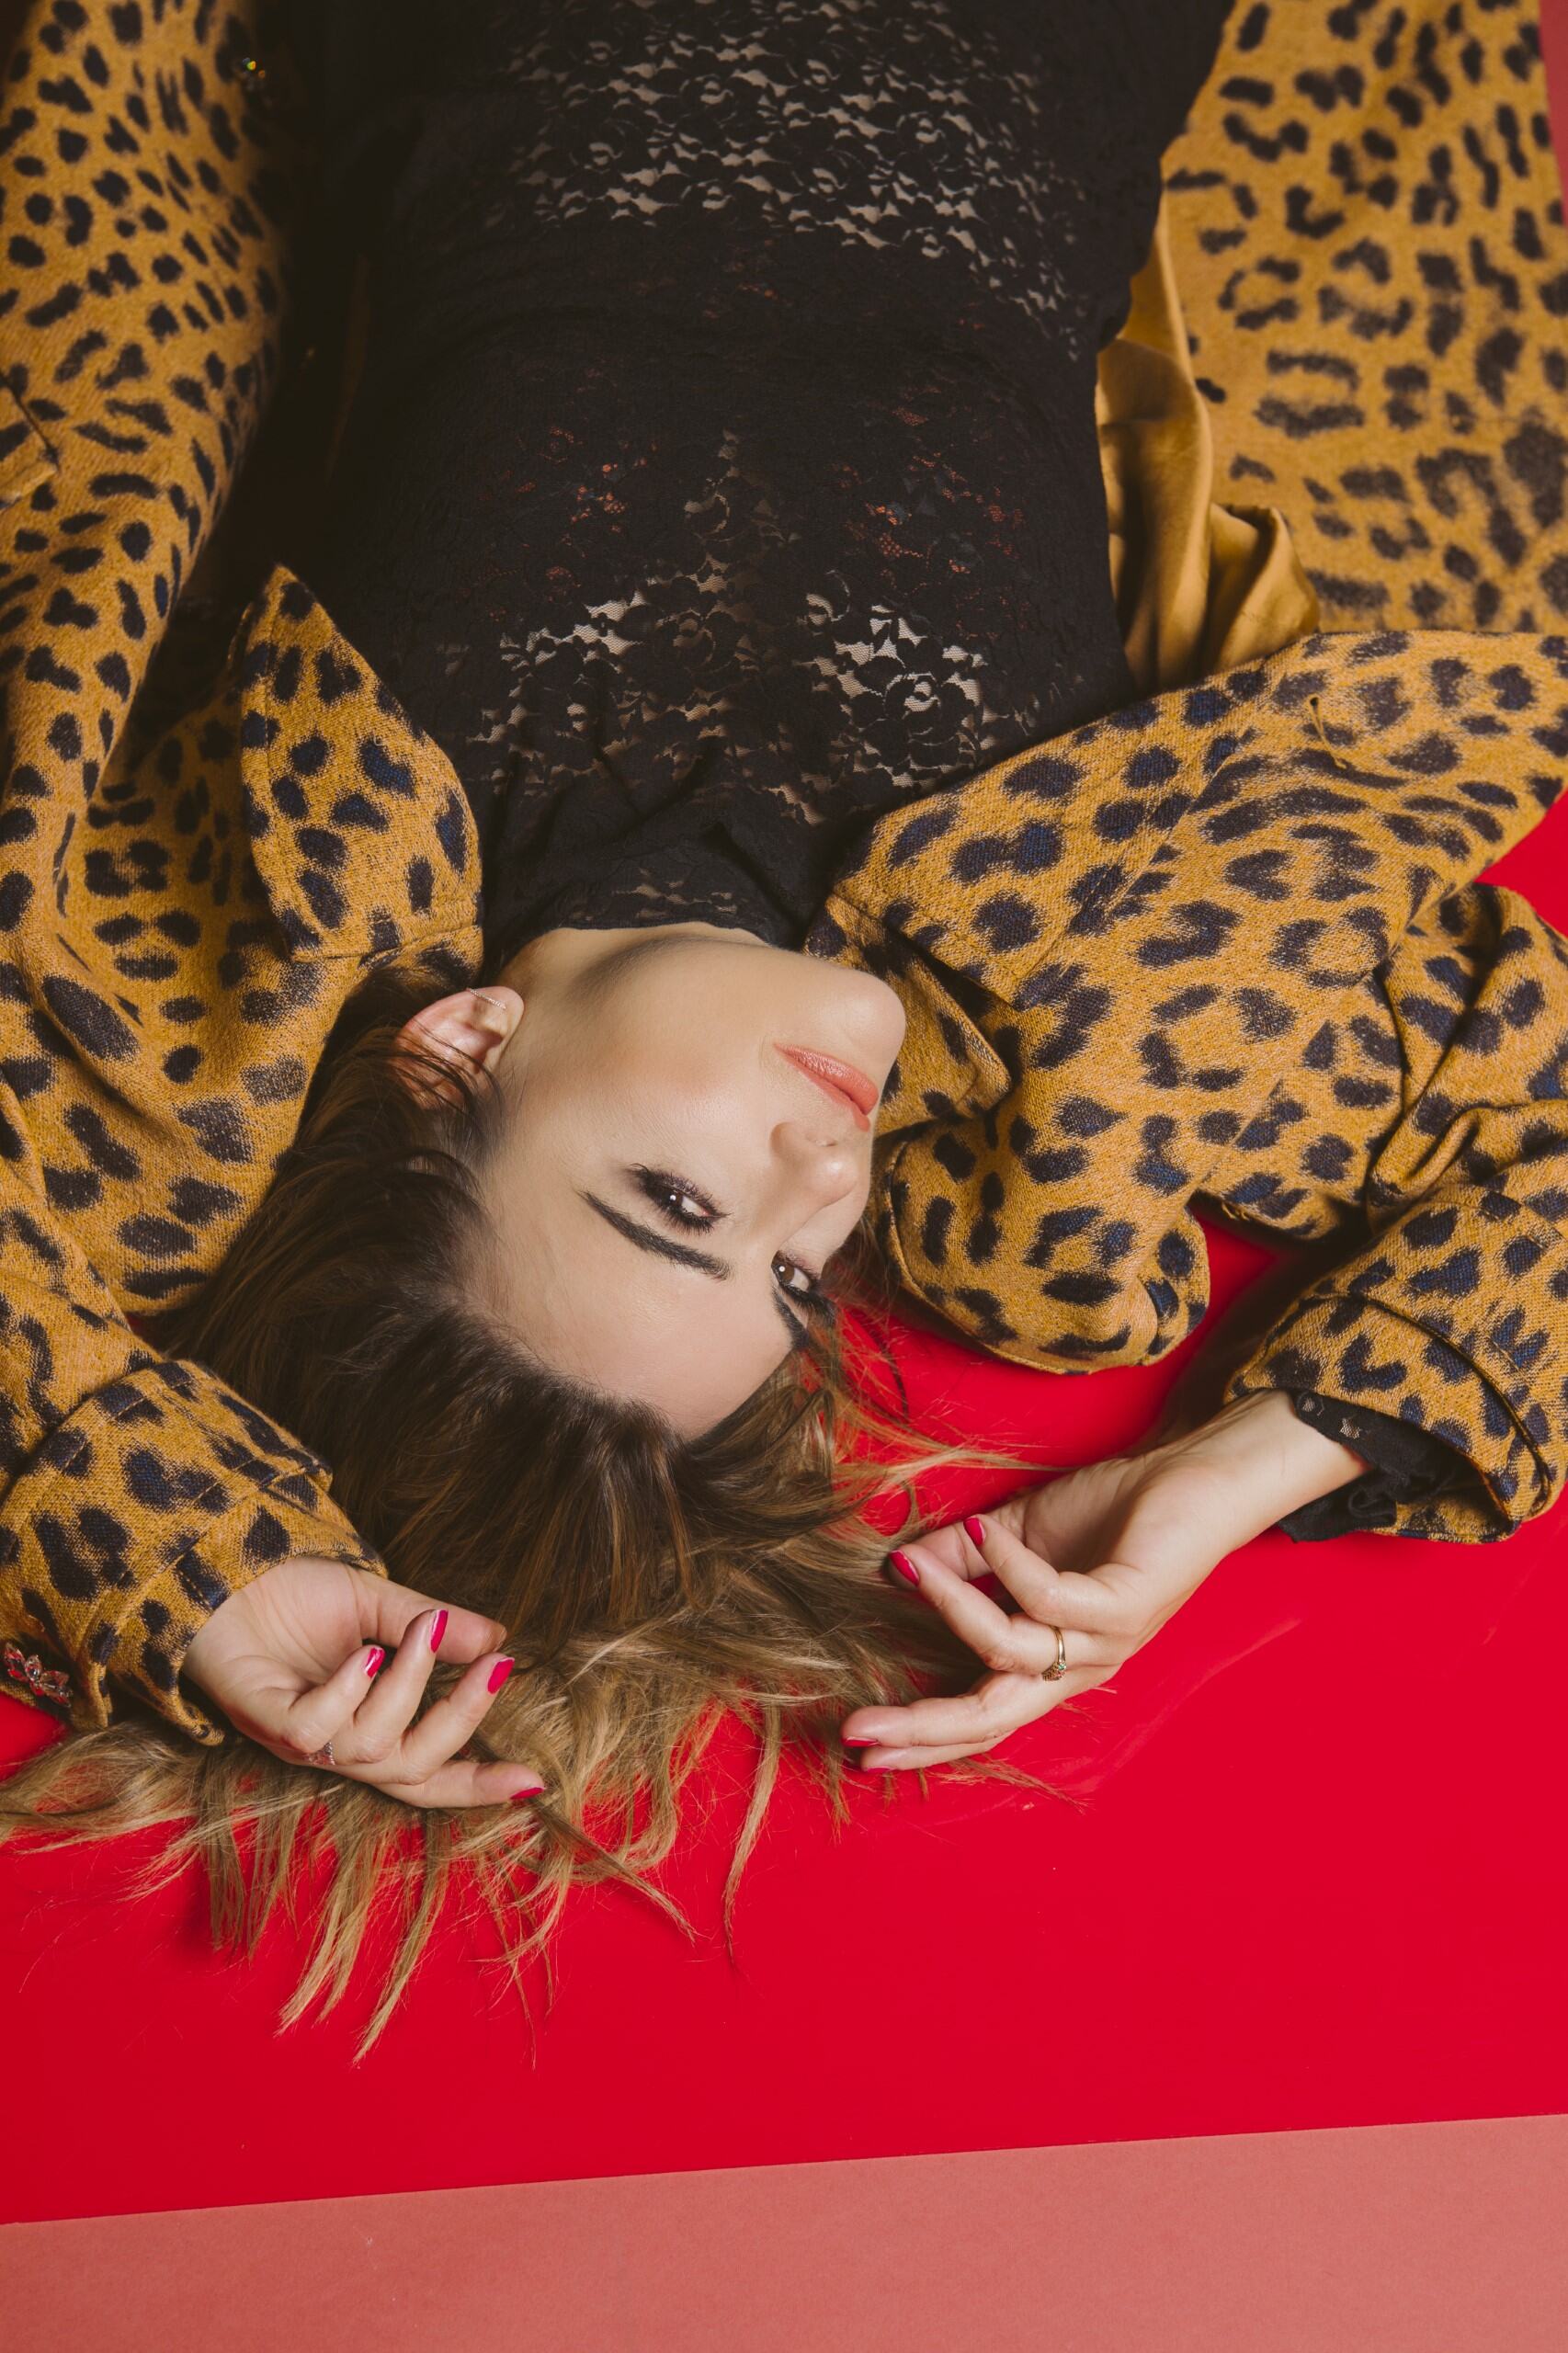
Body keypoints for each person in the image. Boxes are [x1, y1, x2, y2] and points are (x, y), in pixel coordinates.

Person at [3, 0, 1567, 2046]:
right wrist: (1224, 1480)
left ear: (460, 1049)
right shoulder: (1074, 1010)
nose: (822, 1171)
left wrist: (193, 1576)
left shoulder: (262, 911)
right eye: (800, 1270)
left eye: (676, 1196)